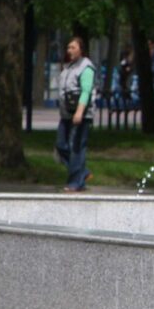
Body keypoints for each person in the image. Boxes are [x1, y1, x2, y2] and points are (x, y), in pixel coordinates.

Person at [57, 35, 97, 193]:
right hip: (67, 114)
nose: (69, 50)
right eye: (68, 47)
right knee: (61, 146)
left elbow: (86, 91)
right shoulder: (69, 66)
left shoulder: (86, 68)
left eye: (73, 47)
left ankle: (75, 182)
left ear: (81, 50)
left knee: (76, 148)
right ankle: (83, 173)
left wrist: (79, 112)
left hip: (81, 114)